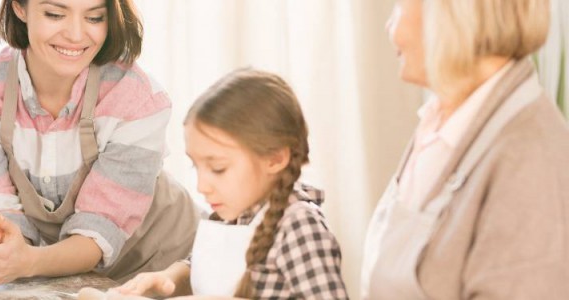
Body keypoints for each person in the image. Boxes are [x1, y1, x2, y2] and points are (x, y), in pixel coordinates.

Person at [0, 0, 198, 293]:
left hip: (171, 267)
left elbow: (97, 233)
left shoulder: (138, 98)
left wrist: (28, 261)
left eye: (94, 18)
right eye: (55, 14)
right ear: (19, 7)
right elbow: (0, 209)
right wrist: (6, 249)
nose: (76, 35)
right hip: (75, 279)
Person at [361, 0, 569, 299]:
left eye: (399, 5)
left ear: (452, 13)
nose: (389, 26)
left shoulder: (532, 161)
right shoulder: (442, 120)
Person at [81, 69, 348, 299]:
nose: (202, 185)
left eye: (218, 168)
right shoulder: (234, 212)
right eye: (196, 166)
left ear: (275, 158)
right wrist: (166, 278)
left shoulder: (299, 225)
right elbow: (204, 266)